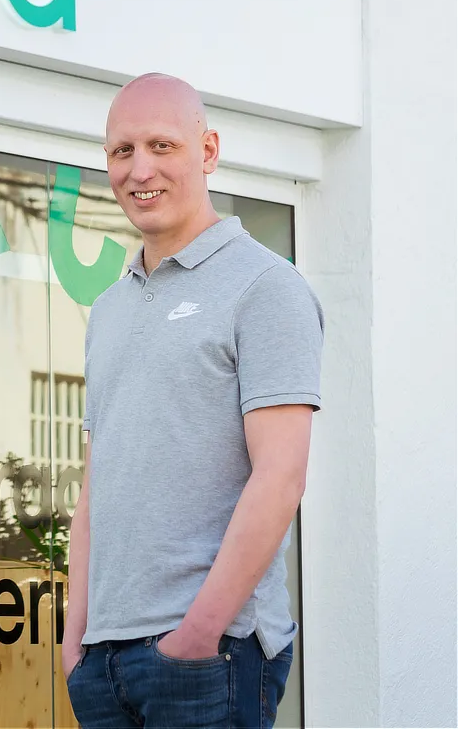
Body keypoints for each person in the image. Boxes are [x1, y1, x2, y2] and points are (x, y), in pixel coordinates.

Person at [61, 73, 324, 729]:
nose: (139, 169)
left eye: (161, 145)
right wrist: (74, 641)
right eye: (122, 151)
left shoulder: (266, 286)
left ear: (207, 150)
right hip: (104, 662)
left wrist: (197, 636)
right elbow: (96, 492)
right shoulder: (108, 309)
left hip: (209, 655)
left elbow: (281, 476)